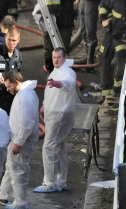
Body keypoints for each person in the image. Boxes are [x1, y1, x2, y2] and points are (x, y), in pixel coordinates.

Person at [34, 48, 77, 194]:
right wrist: (44, 107)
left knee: (49, 146)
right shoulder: (55, 71)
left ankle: (50, 182)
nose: (56, 60)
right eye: (54, 57)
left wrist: (56, 83)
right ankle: (60, 181)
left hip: (60, 114)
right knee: (59, 146)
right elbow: (50, 91)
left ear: (65, 57)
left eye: (58, 57)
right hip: (53, 112)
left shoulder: (67, 72)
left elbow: (67, 83)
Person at [0, 71, 40, 209]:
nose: (7, 89)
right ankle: (3, 195)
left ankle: (20, 202)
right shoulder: (24, 94)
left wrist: (18, 142)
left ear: (16, 82)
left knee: (18, 171)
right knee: (11, 168)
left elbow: (26, 123)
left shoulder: (25, 98)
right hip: (16, 138)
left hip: (21, 141)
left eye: (9, 86)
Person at [98, 0, 126, 99]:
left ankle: (118, 93)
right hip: (110, 34)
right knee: (105, 62)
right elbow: (103, 5)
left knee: (120, 65)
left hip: (122, 38)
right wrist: (103, 20)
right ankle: (105, 95)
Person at [42, 0, 75, 71]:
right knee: (48, 48)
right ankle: (50, 73)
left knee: (63, 49)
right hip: (48, 18)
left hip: (66, 19)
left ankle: (62, 73)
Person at [73, 0, 100, 65]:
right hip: (84, 2)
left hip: (92, 2)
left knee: (90, 31)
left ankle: (90, 60)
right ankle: (87, 57)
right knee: (84, 30)